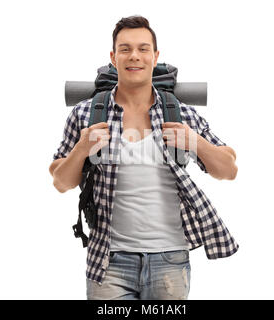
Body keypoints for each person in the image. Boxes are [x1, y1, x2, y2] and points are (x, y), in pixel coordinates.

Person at [49, 15, 239, 300]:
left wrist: (194, 141)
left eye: (142, 48)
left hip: (170, 260)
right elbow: (60, 182)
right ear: (113, 57)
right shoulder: (86, 114)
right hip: (109, 262)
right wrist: (81, 148)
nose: (134, 56)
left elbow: (229, 169)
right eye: (125, 49)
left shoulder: (181, 113)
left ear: (155, 55)